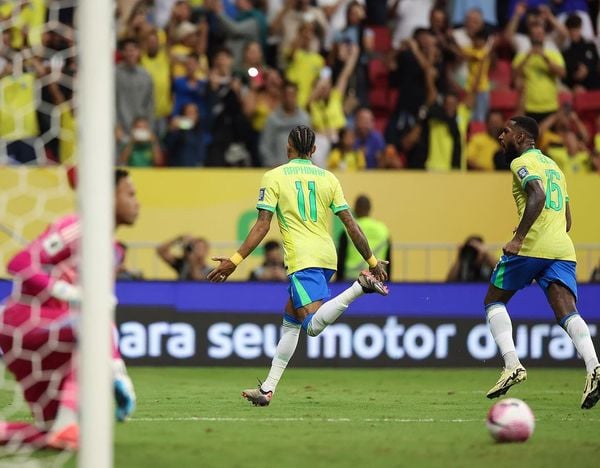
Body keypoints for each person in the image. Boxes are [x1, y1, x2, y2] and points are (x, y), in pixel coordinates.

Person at [208, 125, 389, 406]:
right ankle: (267, 389)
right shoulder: (329, 179)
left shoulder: (274, 177)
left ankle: (359, 287)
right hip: (327, 257)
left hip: (302, 259)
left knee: (312, 327)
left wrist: (235, 261)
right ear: (314, 150)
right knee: (290, 323)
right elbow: (350, 224)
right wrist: (373, 261)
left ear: (287, 147)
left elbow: (262, 225)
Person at [0, 169, 139, 450]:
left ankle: (50, 429)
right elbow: (19, 263)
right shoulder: (80, 227)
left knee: (63, 436)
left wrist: (119, 373)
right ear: (106, 197)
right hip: (25, 319)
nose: (137, 202)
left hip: (55, 333)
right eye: (130, 194)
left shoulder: (111, 250)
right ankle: (65, 424)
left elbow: (102, 316)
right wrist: (67, 292)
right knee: (89, 324)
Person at [484, 115, 600, 409]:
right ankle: (593, 366)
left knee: (493, 300)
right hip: (562, 247)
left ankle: (512, 364)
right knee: (567, 312)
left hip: (533, 245)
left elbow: (537, 194)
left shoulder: (520, 163)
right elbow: (568, 219)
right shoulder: (555, 167)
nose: (501, 136)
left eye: (506, 132)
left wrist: (519, 238)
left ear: (522, 138)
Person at [337, 195, 390, 281]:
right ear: (370, 208)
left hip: (352, 280)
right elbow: (388, 261)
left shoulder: (348, 229)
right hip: (377, 279)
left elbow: (341, 260)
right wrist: (388, 281)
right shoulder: (383, 230)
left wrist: (338, 282)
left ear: (355, 209)